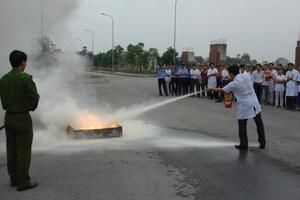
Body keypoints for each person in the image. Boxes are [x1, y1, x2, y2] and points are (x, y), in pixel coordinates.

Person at [0, 50, 40, 191]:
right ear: (23, 62)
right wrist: (30, 106)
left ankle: (14, 179)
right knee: (23, 151)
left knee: (11, 149)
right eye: (25, 61)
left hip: (9, 117)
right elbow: (34, 99)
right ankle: (23, 182)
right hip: (22, 118)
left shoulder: (3, 79)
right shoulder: (25, 79)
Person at [208, 65, 266, 150]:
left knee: (242, 124)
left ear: (231, 73)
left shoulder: (234, 83)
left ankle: (243, 144)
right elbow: (246, 70)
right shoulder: (246, 75)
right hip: (254, 102)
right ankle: (262, 142)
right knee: (259, 123)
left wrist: (211, 88)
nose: (229, 76)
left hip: (245, 105)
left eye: (229, 74)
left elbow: (222, 90)